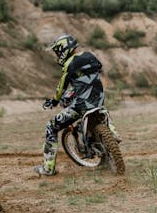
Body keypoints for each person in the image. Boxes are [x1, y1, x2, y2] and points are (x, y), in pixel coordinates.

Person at [34, 34, 105, 176]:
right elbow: (94, 74)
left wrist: (54, 101)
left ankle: (48, 168)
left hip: (81, 105)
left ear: (63, 49)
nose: (56, 55)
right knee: (103, 115)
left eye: (57, 51)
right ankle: (112, 138)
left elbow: (61, 87)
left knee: (51, 126)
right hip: (99, 100)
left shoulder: (69, 64)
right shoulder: (90, 56)